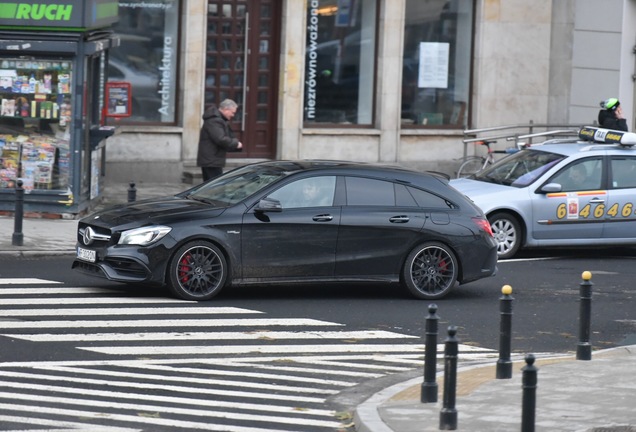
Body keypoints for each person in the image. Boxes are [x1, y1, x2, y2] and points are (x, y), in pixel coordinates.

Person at [196, 99, 243, 182]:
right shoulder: (215, 120)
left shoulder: (217, 119)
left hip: (212, 159)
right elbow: (220, 139)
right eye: (232, 112)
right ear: (226, 109)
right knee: (214, 187)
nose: (233, 115)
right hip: (211, 160)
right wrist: (236, 144)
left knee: (211, 186)